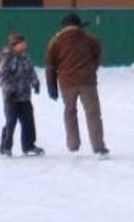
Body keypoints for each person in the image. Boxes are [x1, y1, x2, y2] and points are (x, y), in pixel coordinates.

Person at [45, 12, 109, 158]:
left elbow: (50, 66)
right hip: (87, 81)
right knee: (93, 114)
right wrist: (92, 68)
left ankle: (73, 144)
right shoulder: (89, 39)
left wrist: (52, 86)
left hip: (67, 82)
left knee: (70, 112)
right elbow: (97, 52)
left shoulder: (56, 41)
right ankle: (98, 147)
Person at [0, 32, 44, 157]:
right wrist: (9, 89)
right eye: (21, 43)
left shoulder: (25, 57)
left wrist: (35, 82)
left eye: (24, 43)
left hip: (24, 96)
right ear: (15, 45)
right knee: (11, 122)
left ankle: (28, 145)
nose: (24, 45)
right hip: (11, 98)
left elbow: (31, 72)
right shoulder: (7, 58)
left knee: (28, 121)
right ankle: (6, 146)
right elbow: (2, 77)